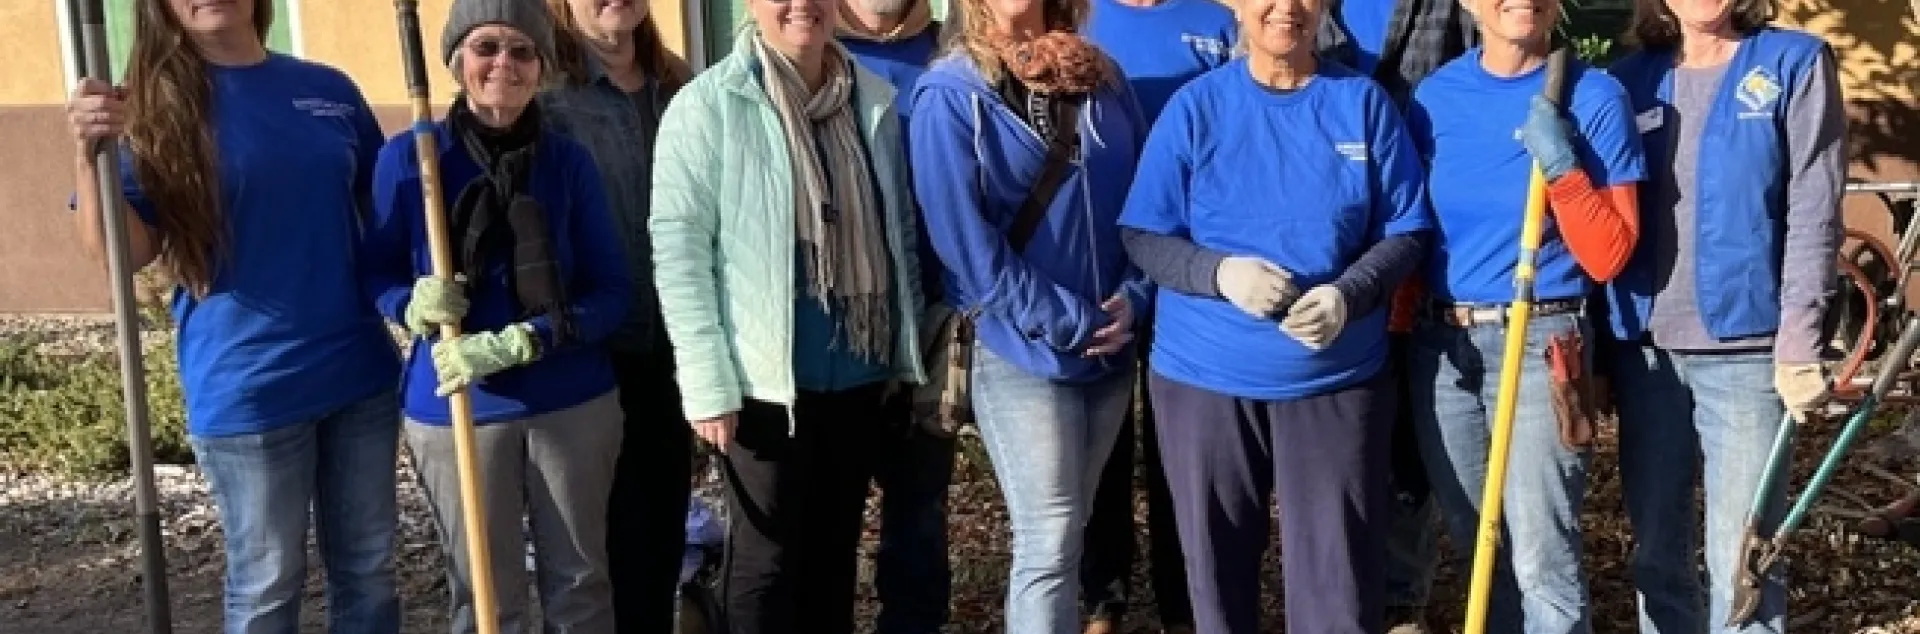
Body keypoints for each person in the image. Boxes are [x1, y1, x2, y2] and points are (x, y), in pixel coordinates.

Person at [64, 1, 403, 632]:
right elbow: (126, 254)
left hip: (360, 374)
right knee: (267, 584)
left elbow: (386, 214)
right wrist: (89, 157)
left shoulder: (328, 90)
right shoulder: (148, 109)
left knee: (370, 570)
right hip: (249, 387)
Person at [1117, 0, 1433, 630]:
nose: (1286, 8)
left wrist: (1350, 292)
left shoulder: (1362, 103)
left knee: (1338, 583)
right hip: (1205, 380)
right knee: (1216, 576)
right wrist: (1218, 273)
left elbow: (1406, 229)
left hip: (1334, 379)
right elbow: (1144, 233)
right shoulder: (1197, 106)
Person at [648, 0, 931, 630]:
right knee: (765, 562)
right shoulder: (708, 106)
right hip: (762, 384)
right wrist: (706, 383)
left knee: (833, 554)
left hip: (857, 372)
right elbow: (680, 253)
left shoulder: (870, 99)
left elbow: (899, 235)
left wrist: (904, 352)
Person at [361, 1, 634, 631]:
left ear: (540, 66)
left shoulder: (567, 163)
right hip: (458, 403)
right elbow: (373, 270)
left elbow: (612, 290)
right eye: (486, 47)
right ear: (457, 60)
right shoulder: (412, 160)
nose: (503, 63)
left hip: (571, 402)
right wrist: (409, 305)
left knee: (581, 587)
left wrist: (530, 338)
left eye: (521, 50)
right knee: (484, 595)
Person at [1403, 0, 1646, 628]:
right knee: (1479, 546)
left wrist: (1562, 166)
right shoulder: (1436, 98)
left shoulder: (1592, 97)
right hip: (1444, 346)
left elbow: (1609, 254)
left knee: (1542, 559)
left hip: (1542, 339)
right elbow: (1413, 230)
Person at [1602, 0, 1845, 630]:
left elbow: (1814, 206)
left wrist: (1800, 339)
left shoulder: (1792, 64)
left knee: (1744, 562)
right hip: (1647, 354)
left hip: (1746, 349)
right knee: (1657, 554)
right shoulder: (1628, 80)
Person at [909, 0, 1151, 631]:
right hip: (1020, 349)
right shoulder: (951, 95)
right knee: (1049, 540)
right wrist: (1067, 319)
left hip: (1110, 345)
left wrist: (1136, 296)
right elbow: (966, 248)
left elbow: (1149, 199)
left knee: (1072, 530)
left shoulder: (1103, 76)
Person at [1318, 0, 1477, 630]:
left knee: (1410, 433)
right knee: (1333, 433)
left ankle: (1400, 598)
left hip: (1424, 248)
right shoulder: (1300, 11)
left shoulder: (1450, 8)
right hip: (1323, 246)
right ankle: (1332, 593)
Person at [1077, 0, 1234, 632]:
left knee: (1183, 450)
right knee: (1101, 443)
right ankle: (1102, 594)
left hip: (1191, 267)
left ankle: (1185, 601)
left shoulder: (1218, 21)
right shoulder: (1078, 18)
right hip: (1098, 265)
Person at [536, 1, 693, 631]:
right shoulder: (548, 97)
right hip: (594, 346)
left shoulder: (679, 86)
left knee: (663, 527)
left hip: (677, 340)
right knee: (599, 541)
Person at [835, 1, 955, 632]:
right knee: (829, 509)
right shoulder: (813, 48)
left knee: (919, 507)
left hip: (931, 316)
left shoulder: (950, 51)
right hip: (837, 320)